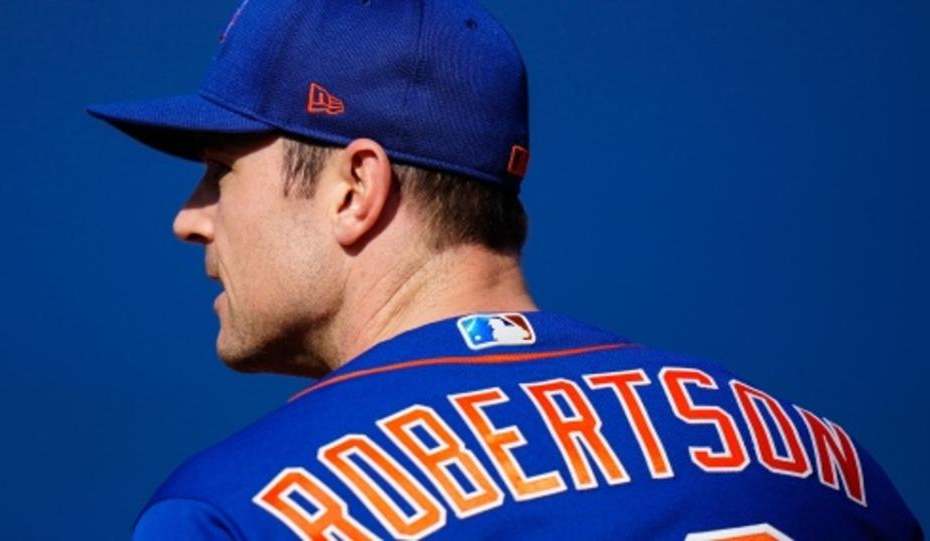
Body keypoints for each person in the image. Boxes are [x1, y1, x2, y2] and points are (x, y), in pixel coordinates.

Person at [89, 0, 923, 539]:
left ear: (355, 188)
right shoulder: (829, 465)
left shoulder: (241, 508)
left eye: (220, 169)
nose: (189, 216)